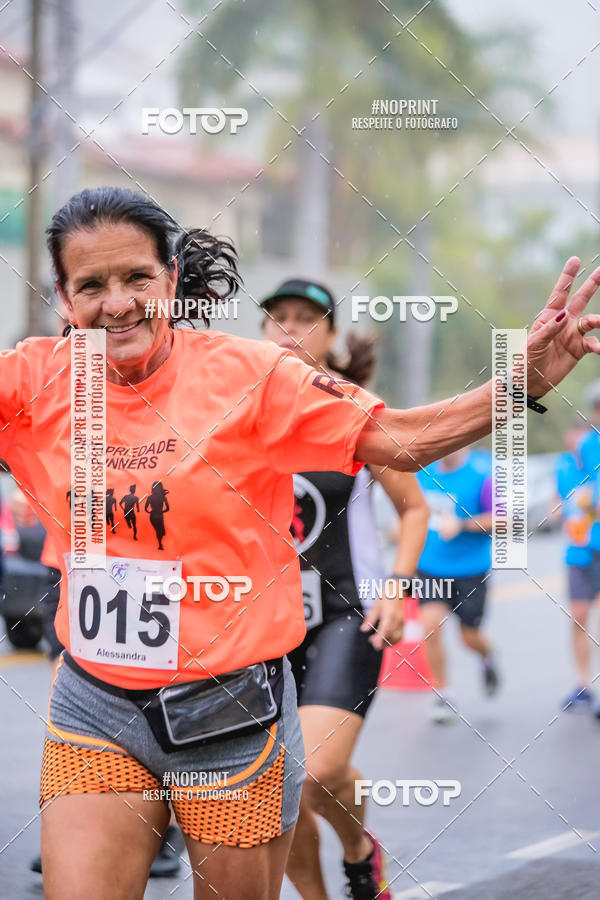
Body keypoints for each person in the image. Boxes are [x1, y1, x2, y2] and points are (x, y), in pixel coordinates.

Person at [0, 185, 596, 900]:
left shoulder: (251, 377)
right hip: (95, 704)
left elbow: (401, 441)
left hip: (227, 711)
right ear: (65, 298)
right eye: (90, 285)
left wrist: (517, 381)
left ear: (172, 279)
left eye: (136, 277)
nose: (117, 302)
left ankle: (355, 854)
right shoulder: (37, 381)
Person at [260, 280, 429, 900]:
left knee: (316, 769)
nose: (288, 327)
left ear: (330, 337)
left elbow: (413, 508)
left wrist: (395, 589)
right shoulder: (242, 411)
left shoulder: (355, 410)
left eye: (306, 318)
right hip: (261, 623)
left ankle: (358, 850)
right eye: (276, 317)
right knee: (276, 784)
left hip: (345, 614)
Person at [415, 447, 499, 724]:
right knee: (431, 628)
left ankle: (487, 657)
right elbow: (413, 511)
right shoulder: (424, 473)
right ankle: (444, 693)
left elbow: (503, 519)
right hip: (430, 569)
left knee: (469, 638)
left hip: (470, 571)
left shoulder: (483, 473)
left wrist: (462, 525)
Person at [554, 424, 598, 712]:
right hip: (576, 553)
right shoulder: (564, 466)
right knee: (578, 616)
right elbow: (557, 502)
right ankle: (582, 685)